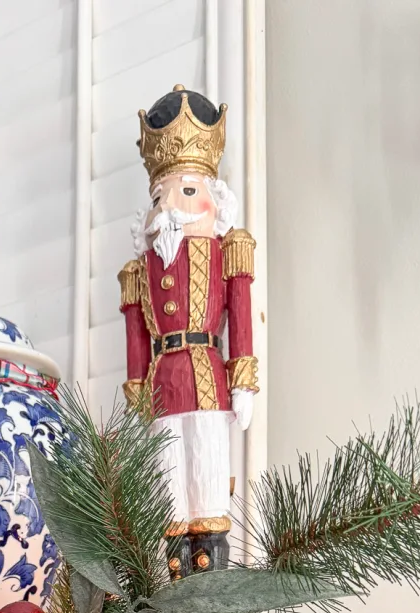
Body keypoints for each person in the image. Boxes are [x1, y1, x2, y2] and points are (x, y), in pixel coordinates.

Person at [120, 85, 258, 575]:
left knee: (207, 477)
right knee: (169, 490)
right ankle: (177, 582)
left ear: (216, 202)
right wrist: (137, 392)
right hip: (162, 387)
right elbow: (138, 334)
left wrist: (242, 379)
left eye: (187, 191)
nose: (169, 207)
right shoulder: (140, 269)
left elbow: (239, 314)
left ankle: (212, 577)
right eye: (161, 195)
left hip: (206, 378)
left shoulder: (228, 249)